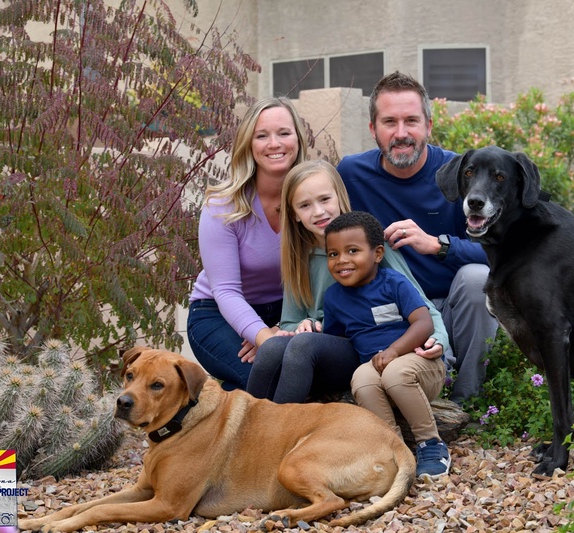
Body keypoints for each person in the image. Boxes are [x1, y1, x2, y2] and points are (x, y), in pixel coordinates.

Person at [337, 71, 499, 404]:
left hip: (449, 307)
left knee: (476, 279)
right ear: (373, 129)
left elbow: (499, 251)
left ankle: (467, 398)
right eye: (389, 122)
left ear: (428, 125)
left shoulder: (461, 173)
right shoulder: (351, 175)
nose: (401, 133)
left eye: (411, 121)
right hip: (387, 311)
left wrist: (439, 246)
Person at [246, 160, 448, 405]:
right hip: (325, 352)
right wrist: (306, 323)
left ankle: (280, 433)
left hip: (373, 349)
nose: (318, 212)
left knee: (302, 345)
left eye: (325, 199)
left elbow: (422, 305)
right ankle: (248, 427)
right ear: (295, 215)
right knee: (271, 348)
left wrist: (437, 340)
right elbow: (290, 321)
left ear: (340, 198)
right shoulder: (300, 258)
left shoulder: (370, 245)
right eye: (305, 205)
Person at [186, 96, 309, 391]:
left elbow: (325, 273)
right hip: (218, 313)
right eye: (262, 135)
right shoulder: (223, 206)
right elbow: (226, 290)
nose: (275, 143)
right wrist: (264, 340)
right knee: (265, 381)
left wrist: (282, 328)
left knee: (303, 376)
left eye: (284, 133)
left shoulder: (313, 197)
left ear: (298, 139)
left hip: (287, 312)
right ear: (248, 145)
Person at [322, 211, 450, 479]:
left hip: (419, 365)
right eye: (333, 254)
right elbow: (335, 339)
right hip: (376, 367)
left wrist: (393, 351)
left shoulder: (394, 283)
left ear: (378, 254)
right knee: (362, 378)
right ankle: (391, 449)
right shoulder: (333, 297)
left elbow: (423, 323)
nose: (341, 260)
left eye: (352, 251)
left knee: (395, 372)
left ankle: (431, 443)